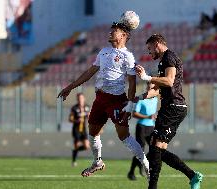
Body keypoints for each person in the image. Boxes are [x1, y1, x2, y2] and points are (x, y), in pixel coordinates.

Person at [57, 21, 150, 180]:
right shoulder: (103, 52)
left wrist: (130, 105)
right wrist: (70, 87)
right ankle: (97, 162)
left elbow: (132, 83)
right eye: (111, 30)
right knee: (92, 133)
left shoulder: (128, 56)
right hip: (100, 99)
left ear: (123, 35)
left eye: (114, 31)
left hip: (116, 101)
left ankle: (147, 167)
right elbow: (90, 72)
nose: (110, 33)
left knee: (124, 137)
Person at [135, 34, 203, 189]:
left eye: (150, 48)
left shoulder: (168, 57)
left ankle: (154, 187)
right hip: (171, 108)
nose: (149, 52)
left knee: (154, 148)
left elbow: (169, 80)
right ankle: (193, 176)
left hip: (173, 107)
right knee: (157, 150)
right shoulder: (163, 62)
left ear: (157, 44)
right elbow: (157, 90)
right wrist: (136, 98)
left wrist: (147, 77)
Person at [127, 82, 158, 181]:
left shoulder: (155, 99)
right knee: (140, 150)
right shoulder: (141, 100)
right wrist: (148, 116)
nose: (150, 89)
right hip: (141, 127)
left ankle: (142, 164)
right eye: (149, 87)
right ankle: (131, 172)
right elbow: (134, 114)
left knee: (154, 149)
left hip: (151, 127)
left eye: (152, 88)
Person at [69, 93, 90, 167]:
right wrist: (77, 120)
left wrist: (89, 117)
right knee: (77, 145)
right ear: (77, 99)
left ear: (84, 99)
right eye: (79, 98)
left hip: (83, 130)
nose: (80, 100)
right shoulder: (74, 108)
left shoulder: (87, 107)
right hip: (76, 129)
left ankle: (74, 151)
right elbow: (70, 119)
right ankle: (74, 161)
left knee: (87, 146)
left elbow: (89, 116)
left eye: (81, 98)